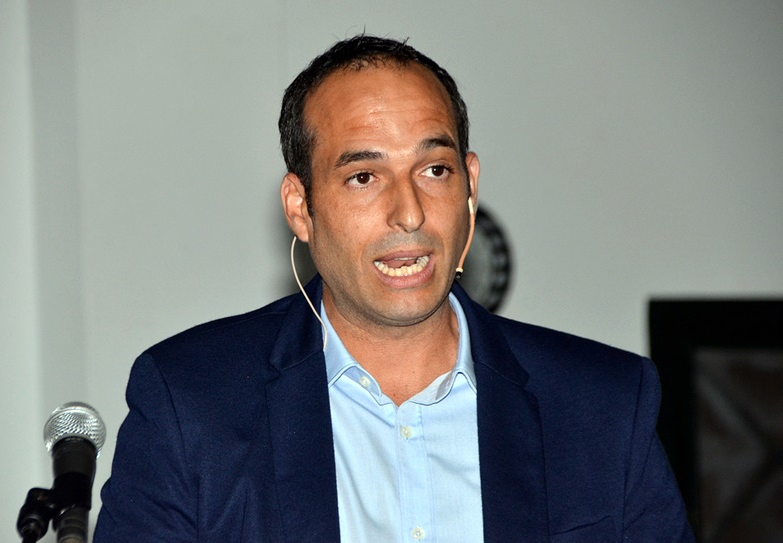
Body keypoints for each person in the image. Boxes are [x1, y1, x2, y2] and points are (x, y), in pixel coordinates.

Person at [94, 35, 694, 542]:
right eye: (363, 176)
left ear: (470, 185)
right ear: (301, 207)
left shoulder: (605, 406)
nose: (409, 213)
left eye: (435, 170)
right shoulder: (191, 403)